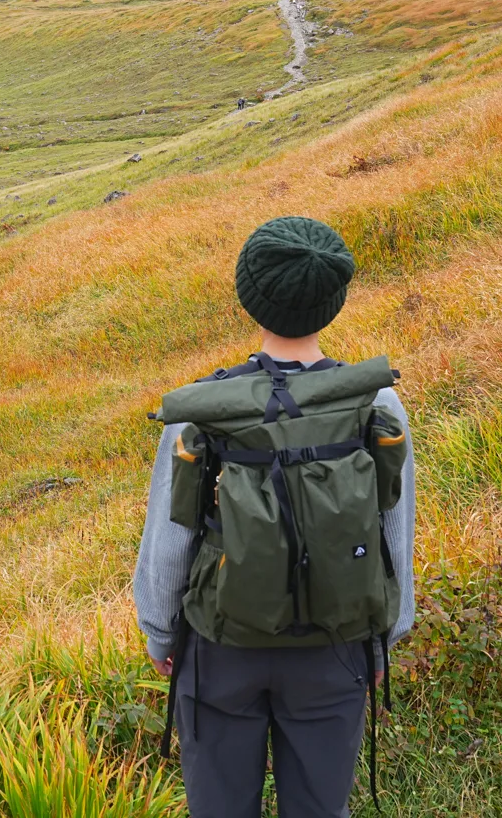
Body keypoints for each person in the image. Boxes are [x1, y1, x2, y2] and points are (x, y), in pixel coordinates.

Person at [133, 216, 416, 818]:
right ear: (332, 301)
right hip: (338, 642)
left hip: (219, 646)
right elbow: (394, 530)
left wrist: (161, 635)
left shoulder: (202, 408)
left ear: (250, 296)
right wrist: (385, 636)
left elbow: (170, 540)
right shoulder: (376, 402)